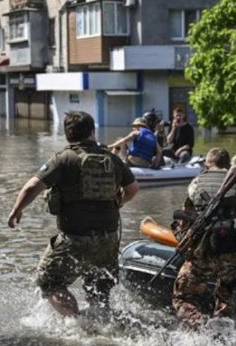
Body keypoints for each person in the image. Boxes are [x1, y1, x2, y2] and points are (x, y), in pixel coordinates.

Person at [7, 111, 139, 317]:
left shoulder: (63, 159)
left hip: (74, 240)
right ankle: (102, 324)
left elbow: (31, 187)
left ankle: (76, 324)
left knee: (49, 281)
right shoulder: (112, 159)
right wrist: (119, 202)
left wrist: (17, 210)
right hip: (108, 240)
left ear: (68, 134)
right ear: (92, 132)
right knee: (99, 288)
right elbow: (133, 189)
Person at [171, 147, 236, 330]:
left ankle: (197, 327)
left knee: (183, 297)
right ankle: (222, 333)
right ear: (228, 164)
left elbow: (185, 222)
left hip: (203, 252)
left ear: (207, 163)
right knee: (226, 294)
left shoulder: (196, 183)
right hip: (233, 253)